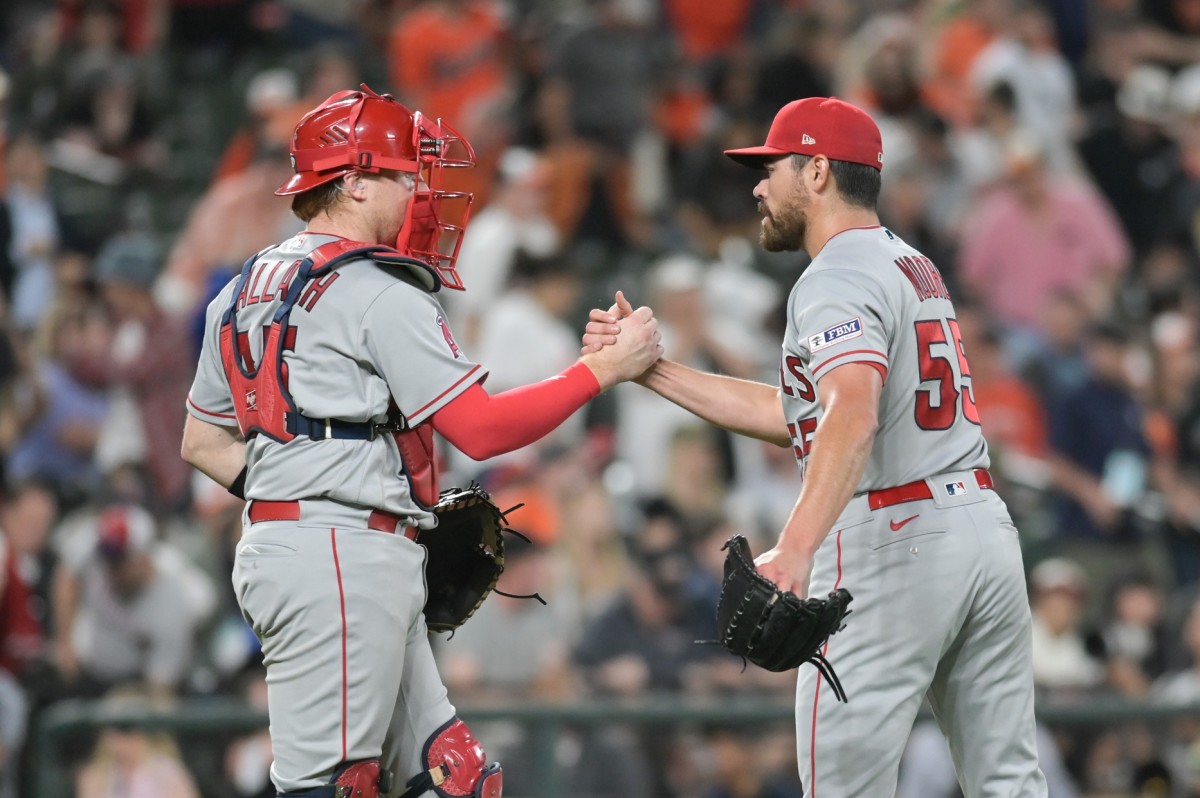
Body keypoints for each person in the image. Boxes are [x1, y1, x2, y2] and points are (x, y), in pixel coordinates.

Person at [178, 85, 661, 798]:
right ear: (352, 180)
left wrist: (301, 486)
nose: (417, 191)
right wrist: (602, 370)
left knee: (451, 778)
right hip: (338, 558)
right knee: (332, 788)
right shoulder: (378, 290)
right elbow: (482, 428)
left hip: (323, 546)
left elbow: (200, 441)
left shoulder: (241, 288)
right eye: (404, 174)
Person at [584, 96, 1047, 796]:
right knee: (1009, 782)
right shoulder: (909, 263)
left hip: (895, 537)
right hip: (980, 527)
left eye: (773, 168)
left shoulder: (834, 275)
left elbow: (851, 414)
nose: (758, 186)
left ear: (819, 172)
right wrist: (653, 370)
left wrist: (796, 545)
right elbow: (801, 412)